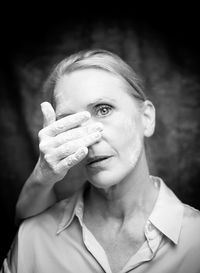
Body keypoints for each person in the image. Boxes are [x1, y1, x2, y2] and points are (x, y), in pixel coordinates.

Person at [1, 49, 200, 273]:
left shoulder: (196, 242)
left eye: (103, 110)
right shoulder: (33, 239)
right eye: (71, 123)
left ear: (146, 118)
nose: (89, 137)